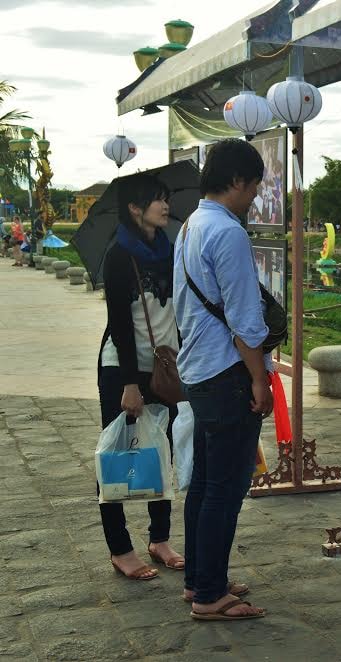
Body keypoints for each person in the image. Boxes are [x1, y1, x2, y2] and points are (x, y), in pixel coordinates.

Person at [173, 138, 272, 621]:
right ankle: (211, 594)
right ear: (236, 181)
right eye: (253, 186)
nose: (254, 195)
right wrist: (260, 380)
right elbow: (245, 320)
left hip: (198, 370)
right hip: (228, 373)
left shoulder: (191, 224)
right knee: (224, 491)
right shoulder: (229, 233)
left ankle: (199, 579)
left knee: (204, 486)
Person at [98, 175, 184, 582]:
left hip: (163, 368)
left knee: (162, 450)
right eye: (156, 201)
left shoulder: (168, 250)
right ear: (135, 208)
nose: (164, 207)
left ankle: (160, 539)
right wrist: (130, 384)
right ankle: (120, 548)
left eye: (166, 200)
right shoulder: (119, 256)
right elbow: (119, 324)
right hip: (123, 369)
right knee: (117, 454)